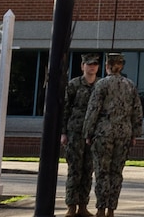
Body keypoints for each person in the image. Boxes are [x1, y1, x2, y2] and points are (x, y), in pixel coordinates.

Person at [82, 51, 141, 217]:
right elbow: (137, 111)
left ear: (107, 65)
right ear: (121, 66)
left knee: (102, 172)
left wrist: (88, 133)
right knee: (116, 173)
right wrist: (134, 134)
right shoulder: (130, 85)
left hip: (103, 133)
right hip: (124, 134)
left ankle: (101, 208)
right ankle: (111, 209)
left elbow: (93, 110)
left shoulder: (102, 84)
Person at [60, 52, 99, 217]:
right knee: (74, 170)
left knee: (88, 171)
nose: (92, 67)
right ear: (82, 66)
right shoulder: (74, 85)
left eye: (95, 64)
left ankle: (83, 206)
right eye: (89, 64)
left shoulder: (101, 85)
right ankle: (71, 206)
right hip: (75, 133)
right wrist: (63, 132)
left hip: (93, 134)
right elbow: (65, 109)